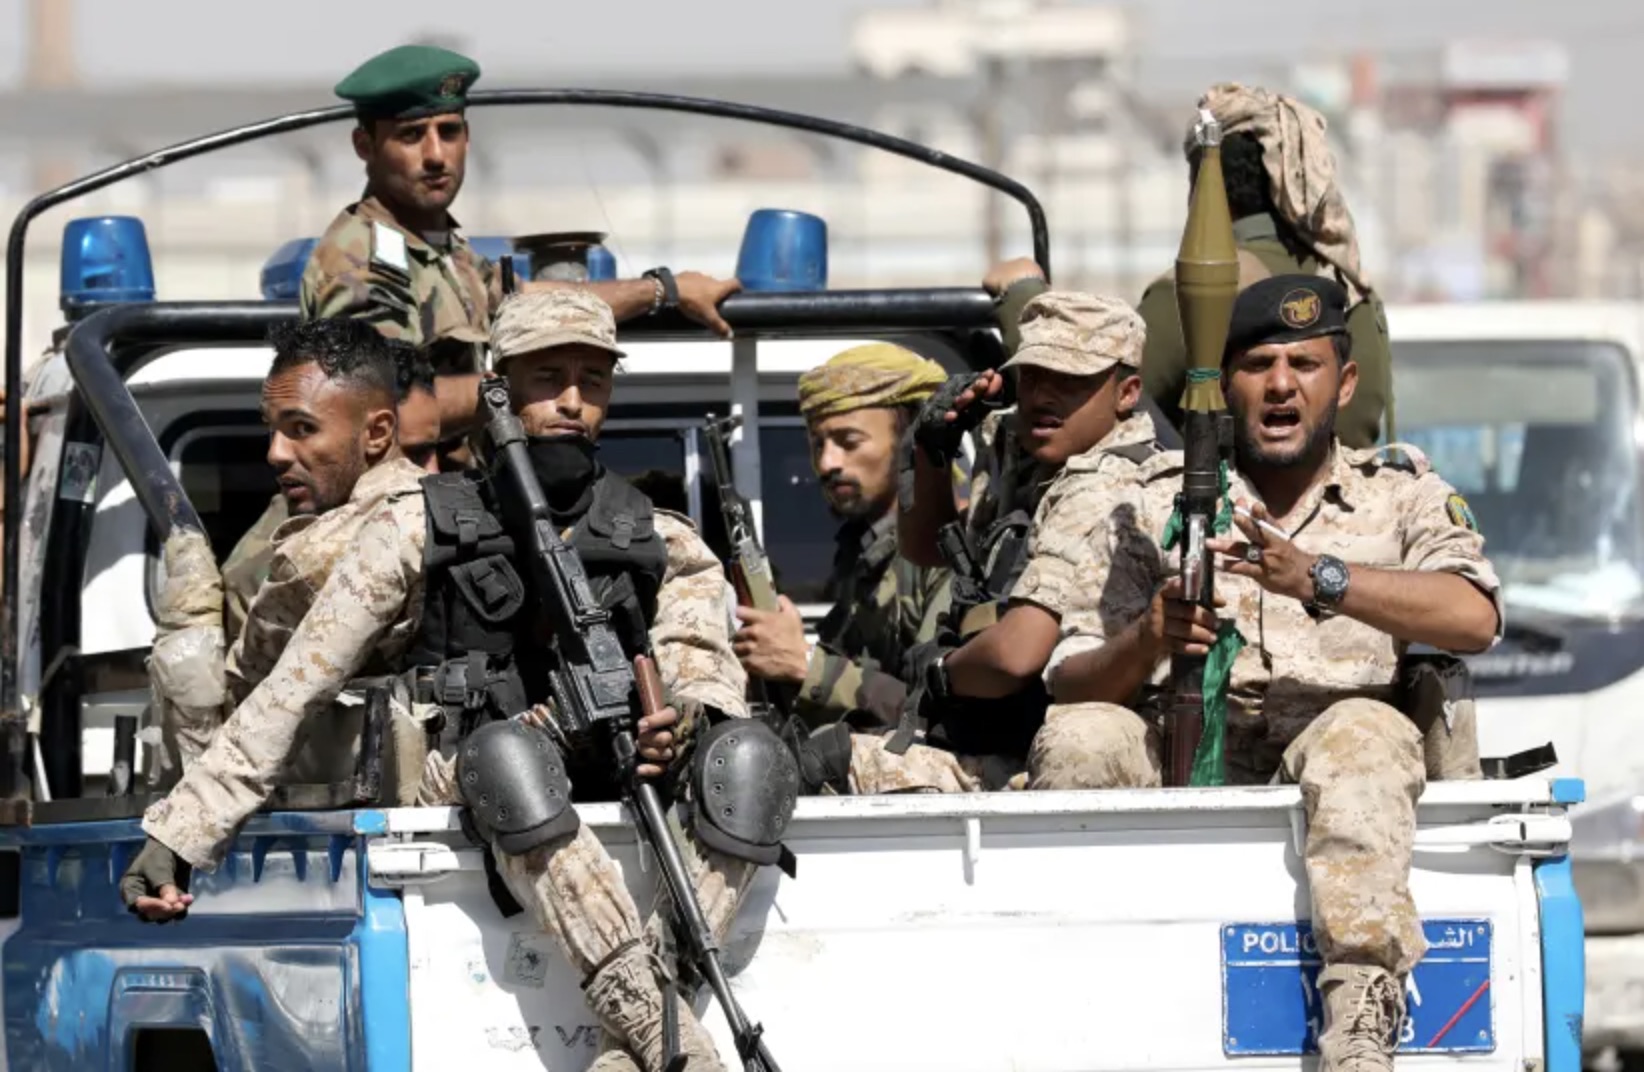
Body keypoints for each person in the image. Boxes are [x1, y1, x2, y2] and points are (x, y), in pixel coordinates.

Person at [123, 291, 790, 1072]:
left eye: (593, 380)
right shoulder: (419, 524)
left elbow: (704, 666)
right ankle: (669, 1040)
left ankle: (635, 1039)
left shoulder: (660, 536)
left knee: (750, 758)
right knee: (510, 757)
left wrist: (680, 719)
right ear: (500, 386)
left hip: (614, 765)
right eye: (549, 378)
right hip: (471, 773)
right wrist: (181, 834)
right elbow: (290, 692)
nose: (574, 401)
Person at [1037, 274, 1502, 1070]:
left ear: (1344, 381)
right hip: (1179, 758)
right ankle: (1080, 992)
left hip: (1335, 757)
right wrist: (1148, 638)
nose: (1282, 384)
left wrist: (1321, 578)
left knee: (1365, 732)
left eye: (1304, 364)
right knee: (1080, 736)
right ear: (1224, 386)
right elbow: (1065, 677)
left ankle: (1359, 1019)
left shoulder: (1403, 493)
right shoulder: (1154, 503)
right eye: (1258, 364)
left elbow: (1474, 616)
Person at [302, 43, 741, 435]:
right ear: (365, 145)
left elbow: (533, 301)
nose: (436, 155)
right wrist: (530, 387)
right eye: (411, 135)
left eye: (448, 132)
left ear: (467, 139)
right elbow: (396, 416)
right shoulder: (361, 259)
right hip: (382, 516)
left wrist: (665, 289)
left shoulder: (440, 248)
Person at [987, 83, 1392, 451]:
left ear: (1203, 190)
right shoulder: (1350, 287)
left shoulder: (1200, 289)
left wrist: (1019, 295)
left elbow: (1091, 407)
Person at [148, 332, 445, 792]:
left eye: (431, 450)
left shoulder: (450, 520)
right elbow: (243, 713)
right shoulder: (292, 555)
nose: (275, 453)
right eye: (277, 429)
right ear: (379, 435)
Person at [886, 290, 1161, 784]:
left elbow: (1017, 656)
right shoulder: (1025, 452)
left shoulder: (1112, 483)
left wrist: (940, 674)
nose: (1042, 397)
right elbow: (926, 548)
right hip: (1003, 730)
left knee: (840, 766)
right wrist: (933, 451)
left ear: (1127, 392)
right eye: (1032, 376)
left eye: (1071, 380)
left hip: (1066, 748)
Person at [732, 344, 952, 734]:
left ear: (910, 442)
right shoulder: (864, 555)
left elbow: (937, 713)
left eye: (848, 442)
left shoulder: (947, 550)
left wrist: (806, 663)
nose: (827, 463)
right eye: (818, 444)